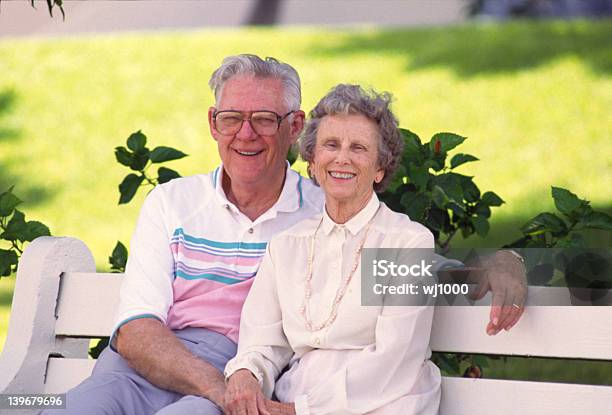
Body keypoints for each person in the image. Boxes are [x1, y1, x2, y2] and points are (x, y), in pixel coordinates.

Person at [44, 55, 525, 415]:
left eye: (265, 119)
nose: (246, 134)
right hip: (164, 369)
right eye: (232, 117)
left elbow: (401, 266)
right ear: (215, 124)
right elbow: (135, 329)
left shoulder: (323, 207)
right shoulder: (176, 205)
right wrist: (234, 385)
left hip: (253, 383)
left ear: (294, 128)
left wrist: (496, 264)